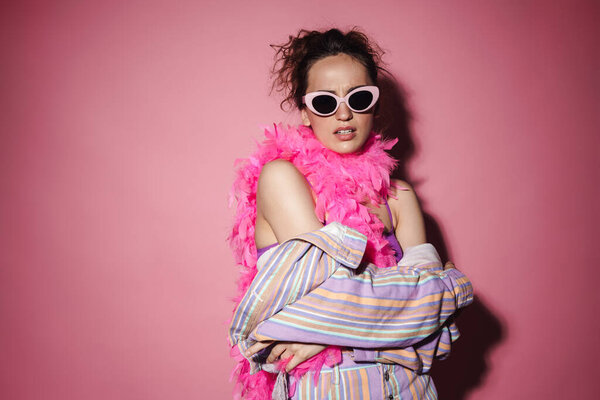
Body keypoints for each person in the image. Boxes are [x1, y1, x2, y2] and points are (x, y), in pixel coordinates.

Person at [228, 28, 472, 400]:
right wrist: (447, 289)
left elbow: (439, 332)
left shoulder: (399, 197)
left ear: (374, 104)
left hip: (413, 390)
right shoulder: (282, 179)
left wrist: (323, 337)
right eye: (325, 102)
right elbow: (327, 298)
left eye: (358, 98)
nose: (344, 113)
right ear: (305, 111)